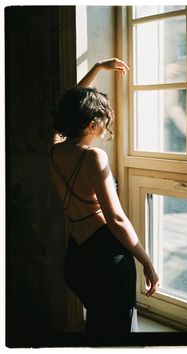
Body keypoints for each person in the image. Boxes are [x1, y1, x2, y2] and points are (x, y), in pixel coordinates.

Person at [49, 58, 159, 338]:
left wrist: (97, 68)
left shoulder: (54, 151)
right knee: (118, 337)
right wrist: (146, 260)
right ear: (90, 124)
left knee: (97, 332)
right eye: (102, 122)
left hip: (76, 259)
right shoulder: (93, 157)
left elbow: (69, 106)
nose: (104, 128)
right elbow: (116, 218)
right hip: (105, 261)